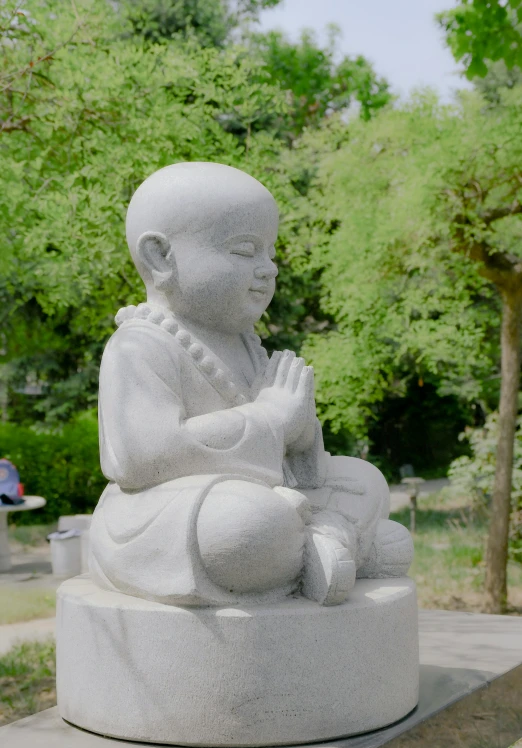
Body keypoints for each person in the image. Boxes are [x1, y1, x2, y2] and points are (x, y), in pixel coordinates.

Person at [90, 162, 413, 607]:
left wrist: (298, 430)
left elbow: (292, 452)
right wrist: (270, 418)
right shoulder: (139, 345)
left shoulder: (246, 343)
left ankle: (318, 542)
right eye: (245, 251)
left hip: (270, 489)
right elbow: (144, 458)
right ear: (160, 257)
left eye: (270, 253)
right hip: (171, 506)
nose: (268, 270)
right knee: (243, 525)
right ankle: (326, 542)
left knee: (366, 480)